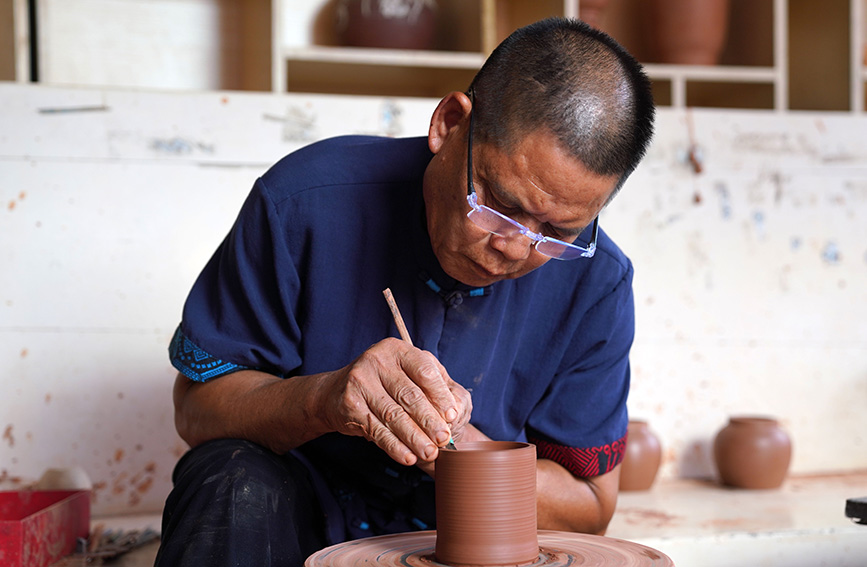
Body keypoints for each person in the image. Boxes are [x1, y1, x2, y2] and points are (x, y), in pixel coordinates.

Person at [155, 17, 654, 567]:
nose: (515, 247)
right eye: (499, 205)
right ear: (448, 123)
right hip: (298, 515)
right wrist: (324, 398)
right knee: (230, 480)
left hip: (469, 545)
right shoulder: (303, 201)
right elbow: (196, 410)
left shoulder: (597, 282)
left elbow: (589, 508)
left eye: (557, 233)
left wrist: (461, 450)